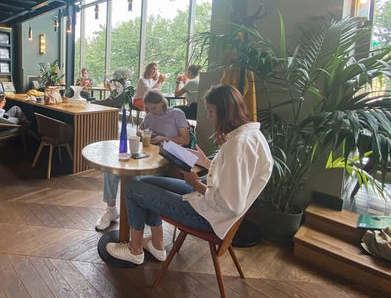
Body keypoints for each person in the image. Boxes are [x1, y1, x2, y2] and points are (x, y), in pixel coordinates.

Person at [105, 84, 273, 264]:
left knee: (133, 188)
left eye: (211, 111)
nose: (208, 116)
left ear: (226, 111)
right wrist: (205, 162)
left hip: (208, 216)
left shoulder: (238, 145)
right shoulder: (252, 135)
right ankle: (157, 244)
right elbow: (233, 177)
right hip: (207, 200)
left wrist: (196, 184)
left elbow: (231, 205)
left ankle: (135, 250)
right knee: (146, 182)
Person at [95, 90, 190, 231]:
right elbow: (140, 129)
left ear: (162, 103)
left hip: (167, 160)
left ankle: (136, 217)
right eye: (148, 108)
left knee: (136, 178)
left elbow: (186, 139)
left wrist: (164, 138)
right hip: (147, 155)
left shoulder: (176, 114)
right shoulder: (150, 116)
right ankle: (111, 209)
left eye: (154, 108)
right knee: (111, 170)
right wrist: (142, 133)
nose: (151, 111)